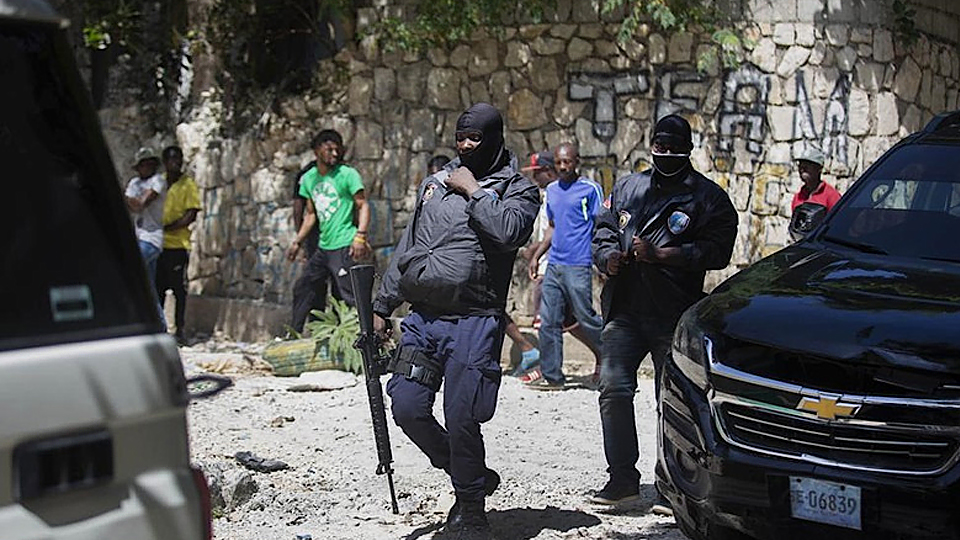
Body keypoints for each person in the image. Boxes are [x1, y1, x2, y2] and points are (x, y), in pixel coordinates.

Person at [372, 103, 539, 540]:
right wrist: (381, 305)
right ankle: (472, 473)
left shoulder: (518, 189)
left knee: (462, 414)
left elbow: (508, 233)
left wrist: (473, 191)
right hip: (424, 319)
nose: (465, 146)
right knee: (406, 405)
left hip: (475, 320)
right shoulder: (433, 184)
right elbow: (409, 246)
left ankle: (470, 506)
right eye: (460, 138)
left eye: (475, 139)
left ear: (495, 139)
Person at [589, 115, 738, 511]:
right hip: (623, 310)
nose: (666, 154)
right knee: (613, 390)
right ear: (650, 144)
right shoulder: (628, 186)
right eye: (660, 146)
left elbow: (718, 250)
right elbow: (603, 230)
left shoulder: (708, 198)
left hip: (674, 314)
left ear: (688, 149)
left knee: (672, 401)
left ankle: (673, 484)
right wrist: (608, 258)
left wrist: (664, 255)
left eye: (675, 148)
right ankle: (622, 479)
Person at [522, 143, 603, 391]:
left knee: (585, 316)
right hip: (555, 264)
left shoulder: (590, 189)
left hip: (578, 264)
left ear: (577, 161)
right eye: (559, 162)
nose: (563, 167)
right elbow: (552, 228)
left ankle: (614, 360)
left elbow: (601, 227)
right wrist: (538, 255)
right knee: (549, 321)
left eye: (567, 162)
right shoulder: (553, 190)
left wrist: (602, 260)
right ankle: (553, 376)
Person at [287, 129, 371, 333]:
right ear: (316, 150)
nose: (334, 153)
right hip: (323, 247)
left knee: (348, 295)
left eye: (337, 149)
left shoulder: (347, 174)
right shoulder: (308, 178)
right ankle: (293, 334)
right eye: (329, 149)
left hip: (344, 244)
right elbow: (310, 215)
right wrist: (297, 241)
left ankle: (364, 340)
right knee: (303, 286)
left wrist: (360, 237)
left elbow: (363, 206)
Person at [156, 145, 201, 344]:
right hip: (157, 245)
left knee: (177, 289)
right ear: (165, 162)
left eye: (179, 159)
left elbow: (191, 214)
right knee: (157, 288)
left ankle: (179, 329)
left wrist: (168, 227)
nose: (176, 163)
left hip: (177, 244)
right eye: (172, 160)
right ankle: (158, 328)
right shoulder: (158, 182)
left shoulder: (187, 184)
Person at [124, 146, 167, 328]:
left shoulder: (158, 181)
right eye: (144, 164)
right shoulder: (134, 183)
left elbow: (139, 204)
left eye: (150, 164)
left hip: (152, 239)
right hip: (139, 237)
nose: (147, 167)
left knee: (129, 272)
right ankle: (160, 326)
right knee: (148, 287)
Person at [791, 147, 840, 212]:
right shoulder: (798, 197)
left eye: (807, 165)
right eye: (800, 165)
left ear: (819, 168)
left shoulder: (831, 196)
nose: (802, 169)